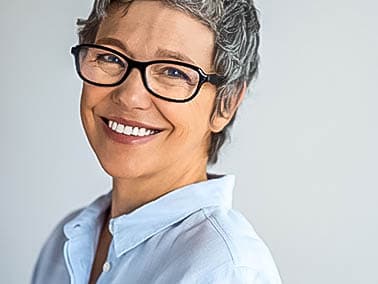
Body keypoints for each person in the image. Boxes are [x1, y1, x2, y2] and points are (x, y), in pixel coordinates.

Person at [32, 0, 282, 283]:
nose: (130, 96)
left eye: (174, 72)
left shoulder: (223, 270)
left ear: (226, 103)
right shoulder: (66, 240)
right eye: (111, 58)